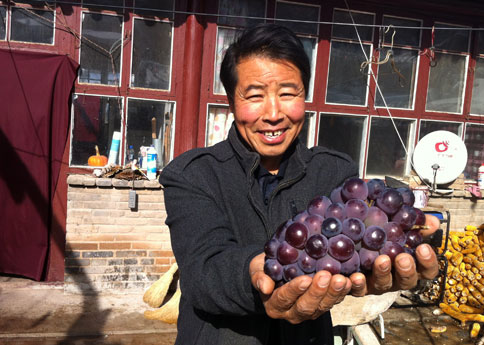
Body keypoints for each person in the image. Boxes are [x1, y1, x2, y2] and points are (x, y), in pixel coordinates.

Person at [159, 23, 439, 345]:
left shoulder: (333, 172)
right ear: (232, 102)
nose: (274, 113)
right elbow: (204, 270)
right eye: (255, 96)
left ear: (304, 95)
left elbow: (353, 249)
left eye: (288, 94)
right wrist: (259, 272)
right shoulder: (193, 174)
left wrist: (376, 267)